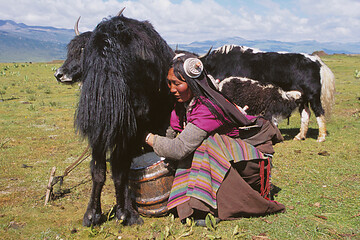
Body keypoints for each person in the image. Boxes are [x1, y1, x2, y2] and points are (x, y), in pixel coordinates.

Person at [144, 52, 285, 225]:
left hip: (251, 162)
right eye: (169, 83)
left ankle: (215, 208)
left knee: (207, 145)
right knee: (201, 147)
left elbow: (179, 148)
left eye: (177, 83)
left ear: (192, 84)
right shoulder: (183, 105)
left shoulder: (206, 108)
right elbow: (171, 133)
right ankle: (195, 201)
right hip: (229, 158)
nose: (172, 89)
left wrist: (147, 137)